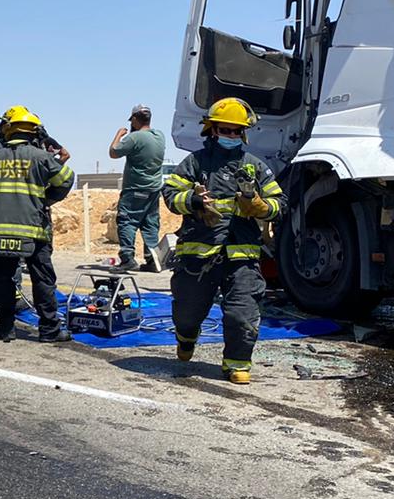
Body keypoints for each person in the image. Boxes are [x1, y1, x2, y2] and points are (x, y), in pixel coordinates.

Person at [162, 97, 284, 384]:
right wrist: (192, 200)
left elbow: (280, 202)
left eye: (235, 131)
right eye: (224, 130)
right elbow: (169, 195)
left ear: (242, 133)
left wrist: (262, 207)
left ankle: (237, 364)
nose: (230, 136)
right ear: (212, 130)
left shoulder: (255, 167)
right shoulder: (195, 163)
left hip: (242, 257)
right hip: (198, 255)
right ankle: (186, 338)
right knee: (187, 314)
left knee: (243, 313)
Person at [0, 108, 76, 342]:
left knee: (3, 279)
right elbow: (66, 179)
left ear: (8, 129)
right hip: (34, 230)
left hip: (0, 231)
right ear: (35, 132)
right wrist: (47, 198)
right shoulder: (41, 157)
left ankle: (5, 327)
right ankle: (49, 330)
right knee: (43, 279)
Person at [109, 104, 167, 271]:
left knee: (127, 221)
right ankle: (152, 259)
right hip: (154, 189)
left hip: (135, 189)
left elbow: (113, 152)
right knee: (150, 224)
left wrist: (119, 135)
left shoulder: (134, 138)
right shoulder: (159, 136)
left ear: (134, 119)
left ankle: (127, 258)